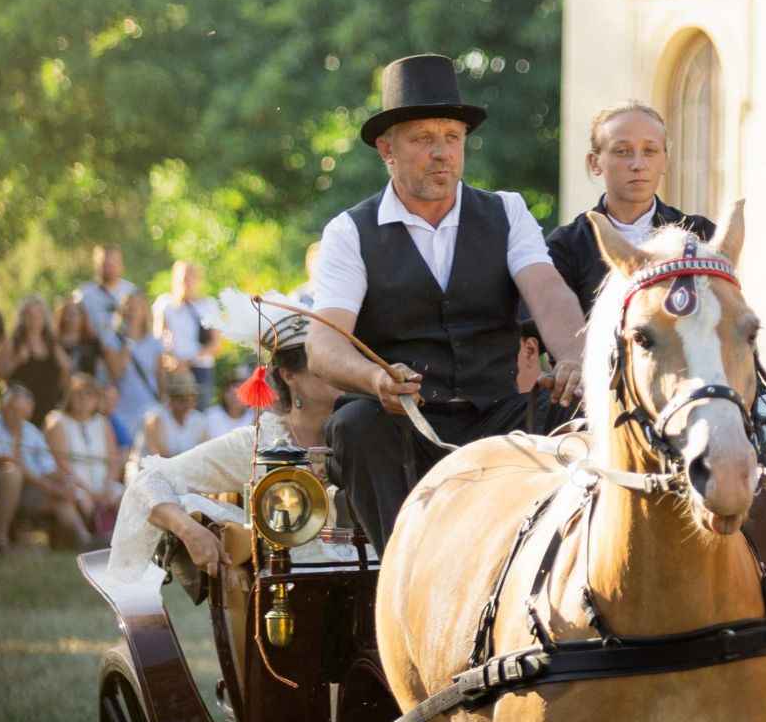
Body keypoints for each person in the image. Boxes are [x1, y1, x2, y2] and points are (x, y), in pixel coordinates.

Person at [305, 54, 586, 549]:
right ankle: (404, 574)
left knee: (579, 415)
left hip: (499, 413)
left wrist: (573, 357)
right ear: (386, 149)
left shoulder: (507, 211)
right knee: (353, 425)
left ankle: (560, 579)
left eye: (452, 138)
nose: (442, 153)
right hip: (404, 421)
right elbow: (323, 345)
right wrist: (374, 379)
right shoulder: (350, 232)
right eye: (423, 139)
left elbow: (546, 289)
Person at [114, 310, 345, 579]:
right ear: (289, 375)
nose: (338, 371)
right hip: (291, 590)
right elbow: (149, 481)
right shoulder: (258, 443)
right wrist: (189, 530)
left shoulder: (362, 433)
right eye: (323, 364)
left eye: (338, 360)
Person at [546, 102, 717, 317]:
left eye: (650, 151)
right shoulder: (565, 246)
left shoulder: (700, 235)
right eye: (622, 151)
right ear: (595, 162)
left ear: (665, 161)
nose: (638, 164)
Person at [0, 382, 86, 551]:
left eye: (22, 413)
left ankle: (84, 540)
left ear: (29, 412)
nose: (16, 416)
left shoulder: (32, 431)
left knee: (62, 493)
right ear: (3, 406)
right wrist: (49, 487)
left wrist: (65, 480)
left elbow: (48, 467)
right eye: (12, 410)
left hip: (30, 487)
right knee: (13, 474)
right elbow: (7, 461)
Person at [46, 373, 124, 538]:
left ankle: (121, 538)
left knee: (125, 496)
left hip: (103, 484)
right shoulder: (57, 421)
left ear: (96, 399)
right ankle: (85, 538)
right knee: (73, 495)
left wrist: (108, 485)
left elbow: (113, 459)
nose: (83, 399)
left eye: (89, 395)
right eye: (78, 394)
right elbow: (61, 463)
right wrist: (89, 491)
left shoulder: (103, 422)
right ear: (69, 396)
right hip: (74, 482)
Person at [103, 290, 166, 446]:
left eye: (137, 307)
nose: (132, 311)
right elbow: (116, 372)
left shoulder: (154, 342)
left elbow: (160, 375)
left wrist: (164, 403)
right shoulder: (112, 340)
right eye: (129, 307)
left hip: (149, 407)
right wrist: (128, 341)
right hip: (122, 410)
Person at [0, 295, 67, 421]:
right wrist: (16, 360)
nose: (34, 320)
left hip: (47, 412)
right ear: (22, 318)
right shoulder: (13, 343)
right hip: (19, 413)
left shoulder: (52, 344)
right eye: (30, 315)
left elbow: (67, 372)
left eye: (38, 315)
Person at [157, 260, 223, 397]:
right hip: (173, 370)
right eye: (183, 277)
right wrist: (171, 361)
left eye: (190, 277)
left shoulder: (209, 305)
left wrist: (188, 362)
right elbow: (158, 338)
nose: (186, 282)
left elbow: (215, 344)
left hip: (200, 369)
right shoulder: (165, 305)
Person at [135, 370, 212, 464]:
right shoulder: (154, 418)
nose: (187, 405)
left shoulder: (199, 420)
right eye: (181, 399)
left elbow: (205, 452)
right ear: (171, 399)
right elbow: (157, 455)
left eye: (191, 399)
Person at [77, 244, 136, 343]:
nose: (109, 268)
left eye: (114, 263)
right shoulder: (83, 294)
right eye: (105, 264)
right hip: (93, 348)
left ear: (121, 265)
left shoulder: (132, 292)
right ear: (96, 265)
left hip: (125, 350)